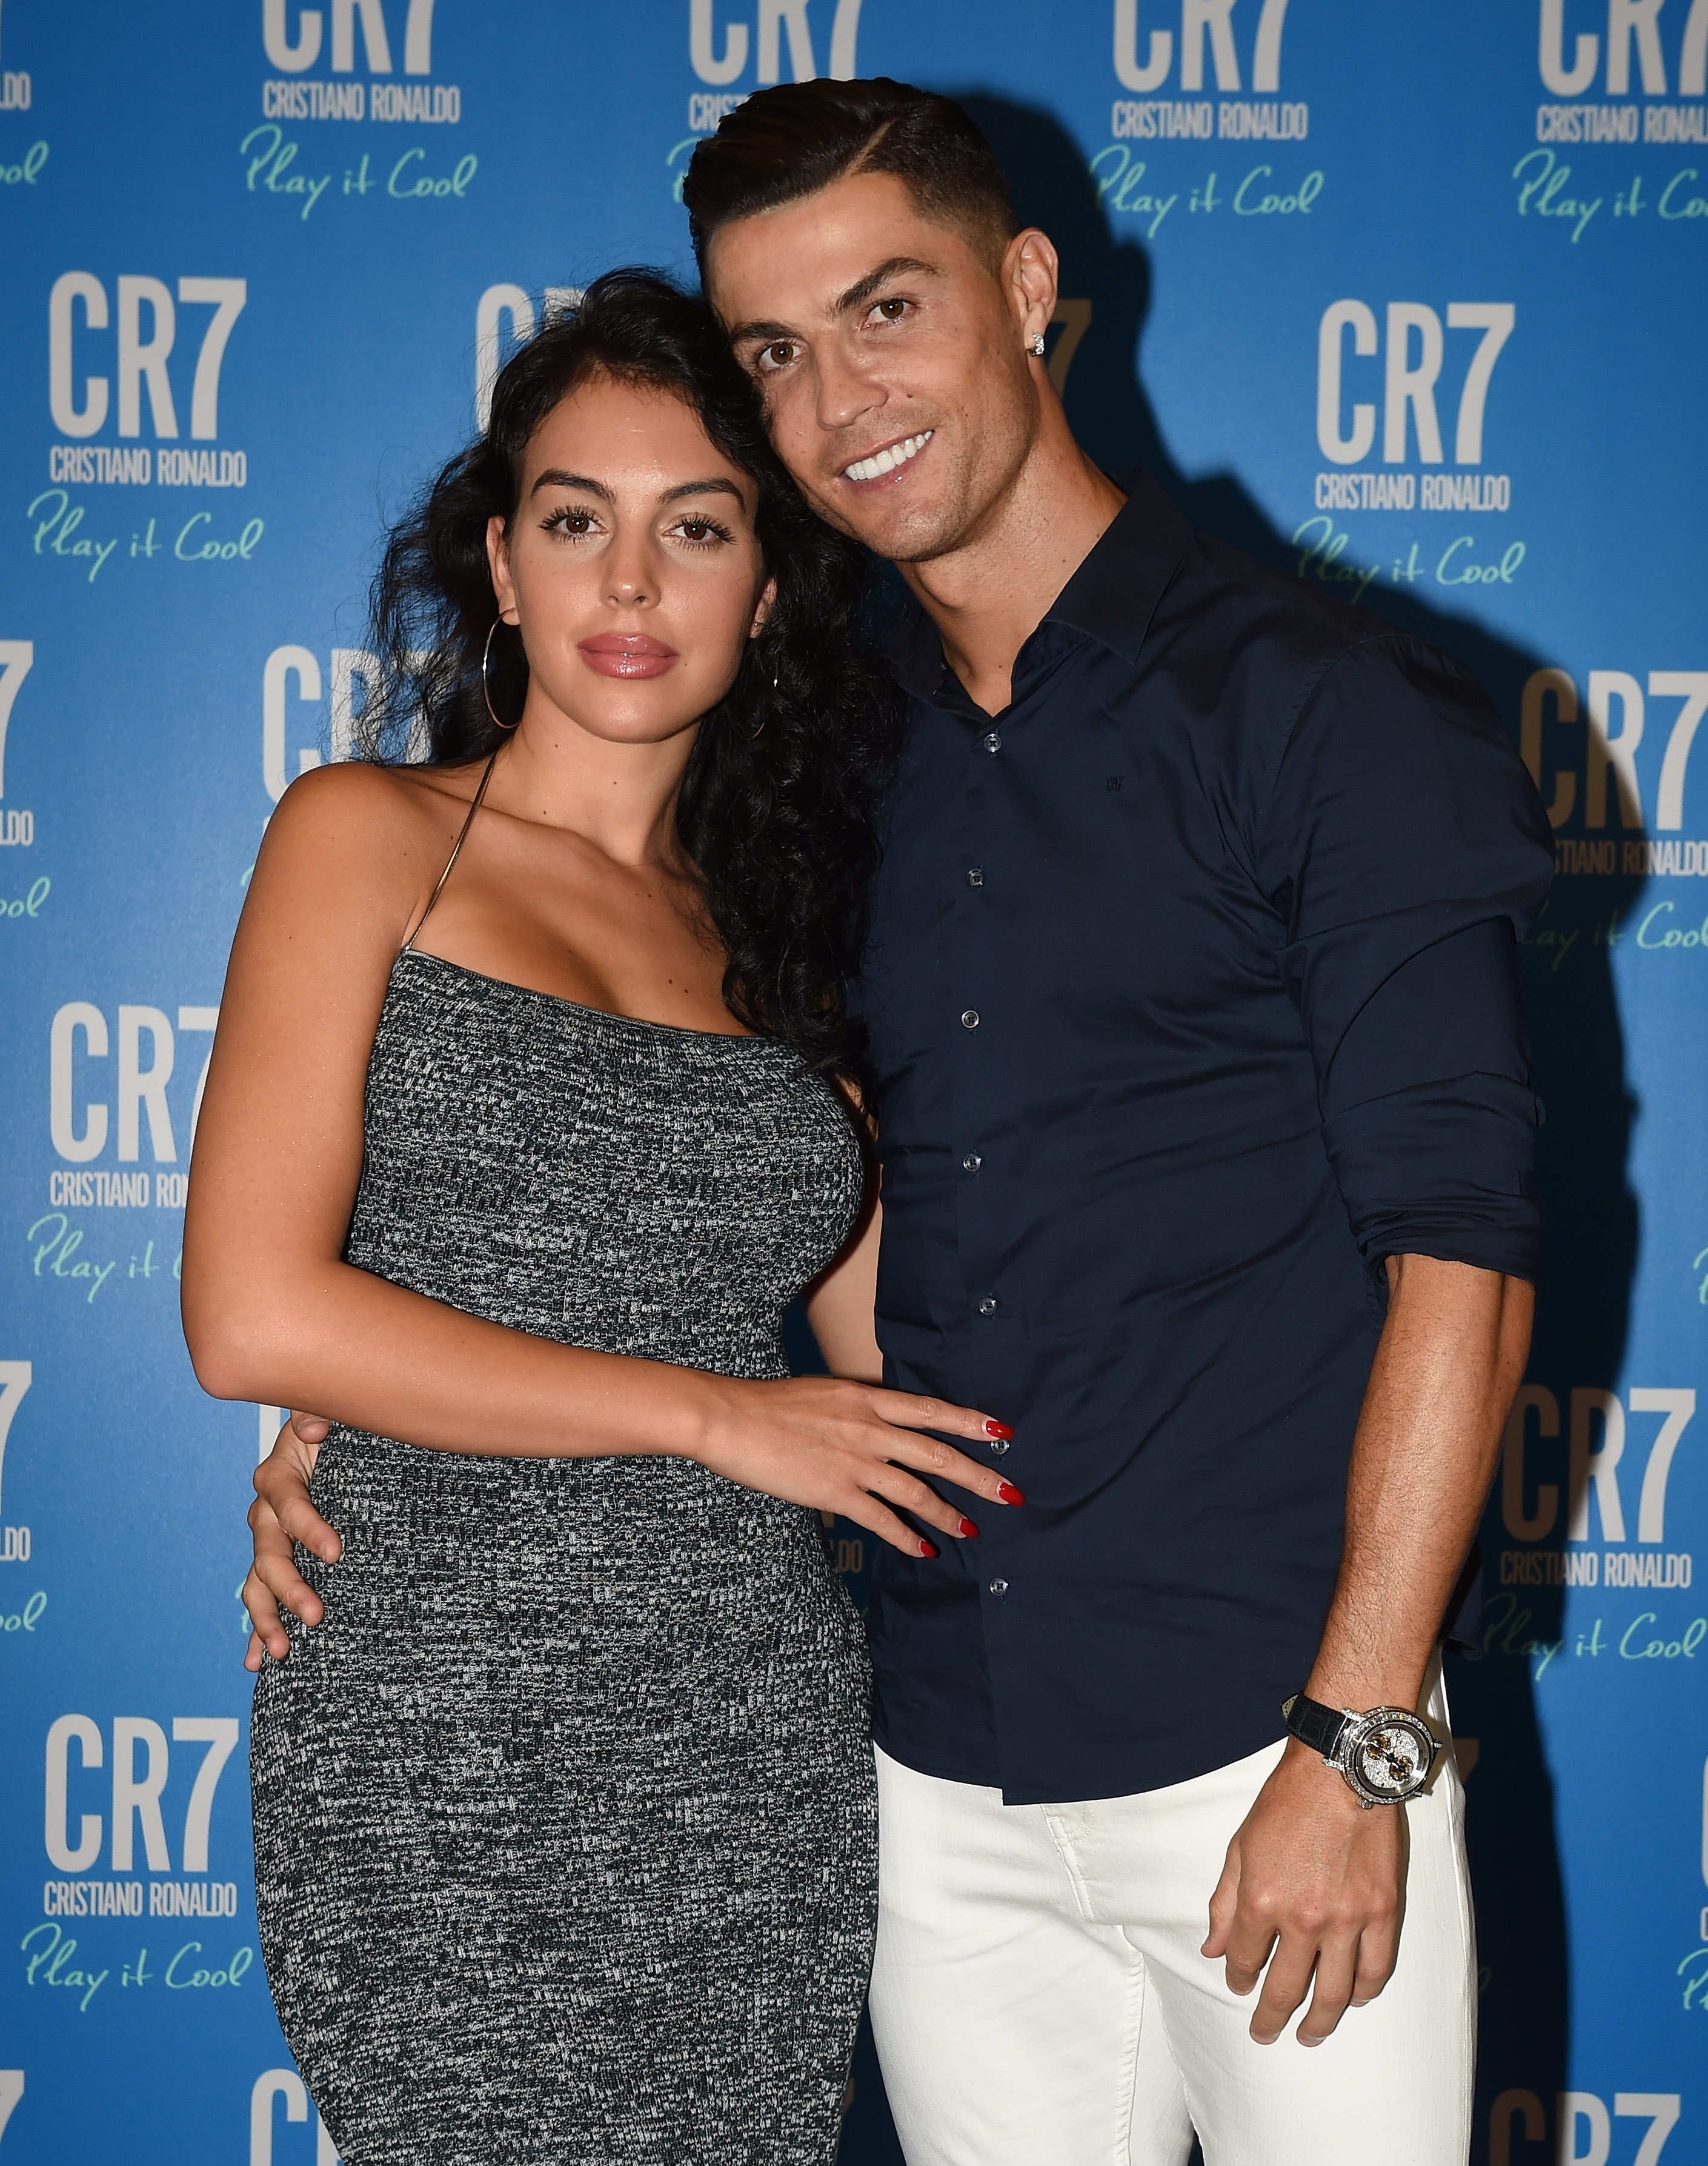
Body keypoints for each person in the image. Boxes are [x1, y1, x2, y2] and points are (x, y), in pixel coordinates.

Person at [245, 81, 1555, 2166]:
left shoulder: (1319, 709)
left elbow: (1462, 1256)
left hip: (1265, 1751)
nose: (837, 397)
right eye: (773, 349)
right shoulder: (828, 771)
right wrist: (368, 1406)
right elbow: (771, 1240)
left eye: (884, 309)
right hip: (924, 1773)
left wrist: (1360, 1738)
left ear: (1026, 289)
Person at [182, 268, 1020, 2166]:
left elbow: (901, 1357)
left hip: (750, 1730)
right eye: (575, 522)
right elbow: (252, 1318)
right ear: (499, 563)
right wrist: (716, 1415)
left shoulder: (791, 937)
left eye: (696, 529)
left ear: (772, 583)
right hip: (436, 1726)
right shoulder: (367, 839)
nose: (629, 583)